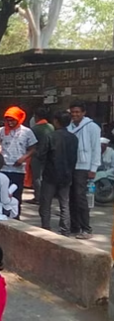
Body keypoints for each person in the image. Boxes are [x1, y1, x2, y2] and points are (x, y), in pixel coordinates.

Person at [37, 110, 77, 236]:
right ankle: (65, 229)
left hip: (50, 174)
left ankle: (45, 227)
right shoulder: (73, 138)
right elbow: (74, 157)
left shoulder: (50, 137)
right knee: (64, 203)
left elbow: (41, 155)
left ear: (56, 121)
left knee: (46, 202)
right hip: (66, 174)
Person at [0, 106, 37, 218]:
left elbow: (33, 148)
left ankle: (16, 217)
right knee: (2, 194)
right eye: (8, 120)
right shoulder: (2, 131)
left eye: (12, 120)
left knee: (16, 195)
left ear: (19, 119)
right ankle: (2, 215)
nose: (10, 122)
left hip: (18, 170)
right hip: (3, 169)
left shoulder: (27, 132)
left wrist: (23, 158)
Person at [67, 102, 102, 239]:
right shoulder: (69, 127)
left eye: (77, 112)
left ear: (83, 113)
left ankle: (86, 228)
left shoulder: (92, 127)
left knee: (81, 198)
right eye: (73, 112)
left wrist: (93, 167)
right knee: (72, 198)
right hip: (71, 166)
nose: (75, 115)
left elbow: (96, 148)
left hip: (84, 167)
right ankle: (74, 227)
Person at [27, 107, 54, 205]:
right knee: (46, 177)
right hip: (49, 156)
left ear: (36, 117)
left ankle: (38, 197)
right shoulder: (51, 127)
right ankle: (46, 197)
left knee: (37, 177)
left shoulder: (35, 129)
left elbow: (29, 144)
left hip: (37, 155)